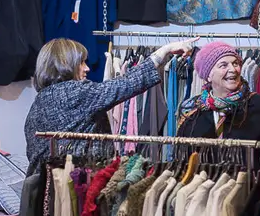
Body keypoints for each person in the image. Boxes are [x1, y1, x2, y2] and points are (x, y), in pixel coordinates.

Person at [24, 37, 198, 175]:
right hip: (75, 191)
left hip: (43, 192)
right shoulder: (75, 93)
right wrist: (165, 51)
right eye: (81, 63)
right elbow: (127, 83)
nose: (87, 69)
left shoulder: (37, 105)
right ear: (64, 65)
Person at [177, 41, 260, 172]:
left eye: (235, 63)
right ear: (208, 75)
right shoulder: (192, 116)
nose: (233, 69)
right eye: (223, 65)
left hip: (252, 189)